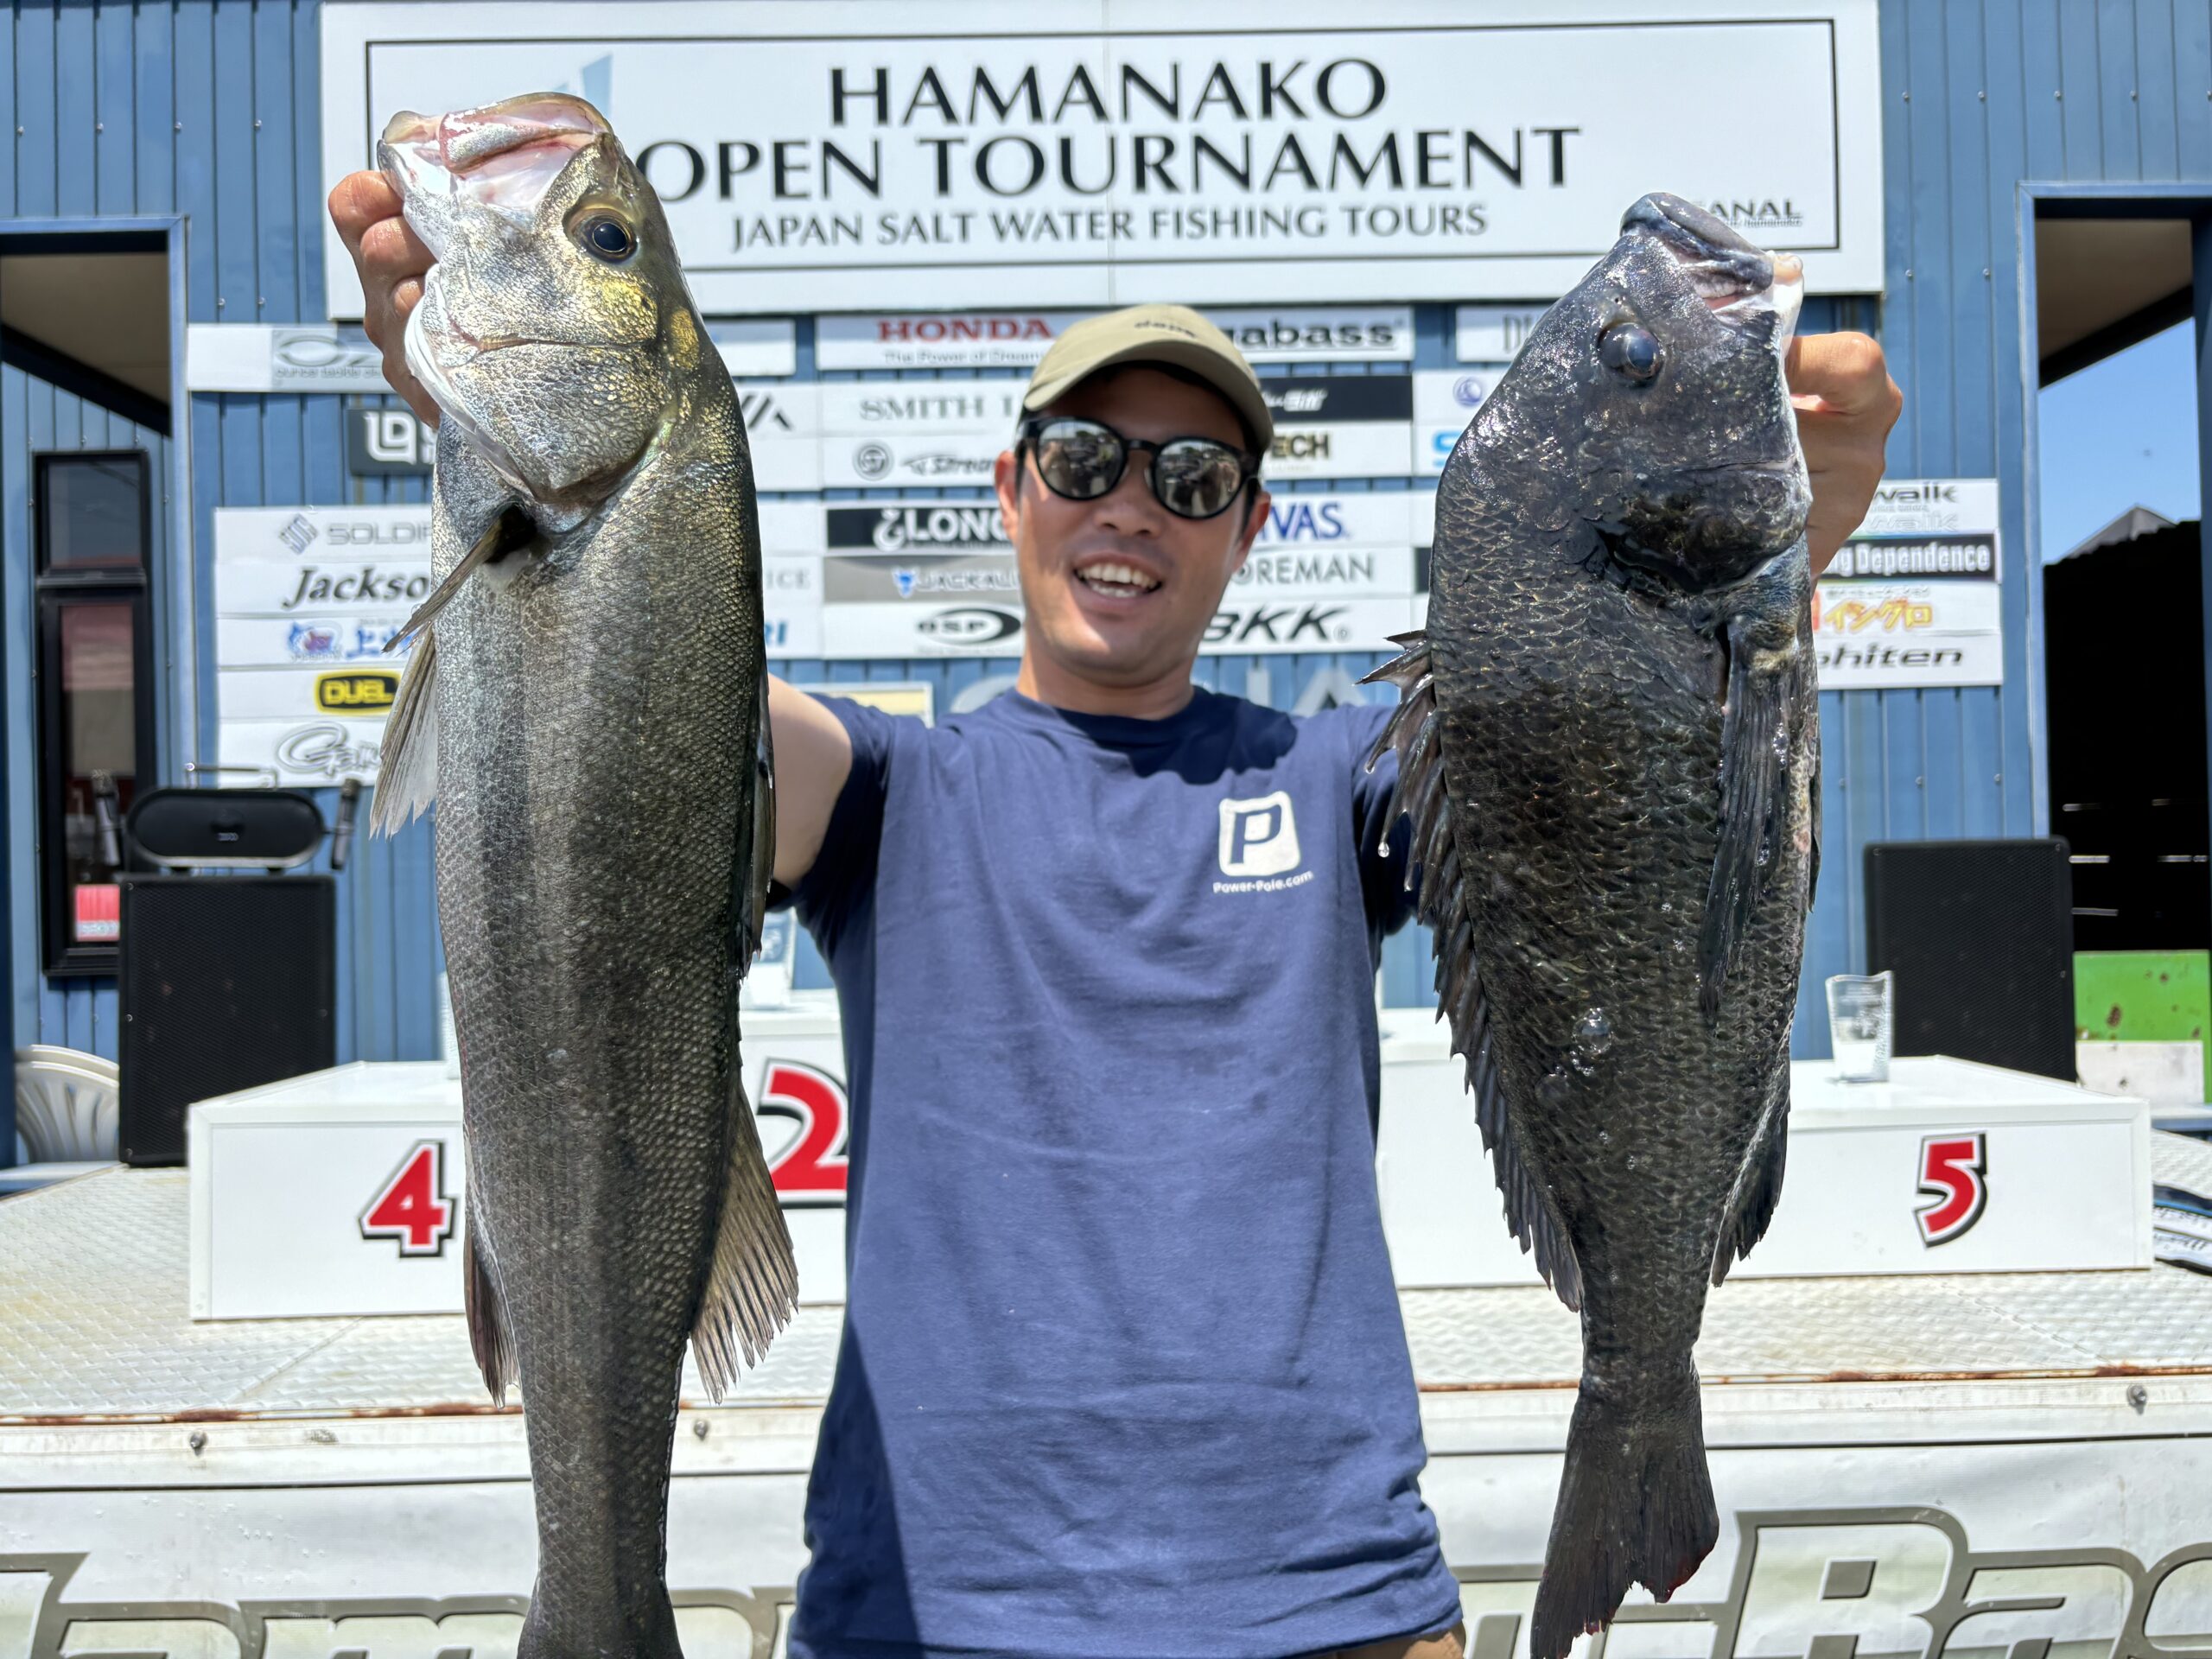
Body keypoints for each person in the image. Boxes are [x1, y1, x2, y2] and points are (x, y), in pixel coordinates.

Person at [332, 170, 1901, 1659]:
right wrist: (524, 430)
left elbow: (1591, 779)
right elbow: (663, 713)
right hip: (929, 1614)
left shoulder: (1337, 780)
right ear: (1012, 490)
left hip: (1338, 1600)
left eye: (1193, 478)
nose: (1132, 508)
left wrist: (1773, 535)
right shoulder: (889, 788)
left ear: (1249, 528)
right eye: (1086, 459)